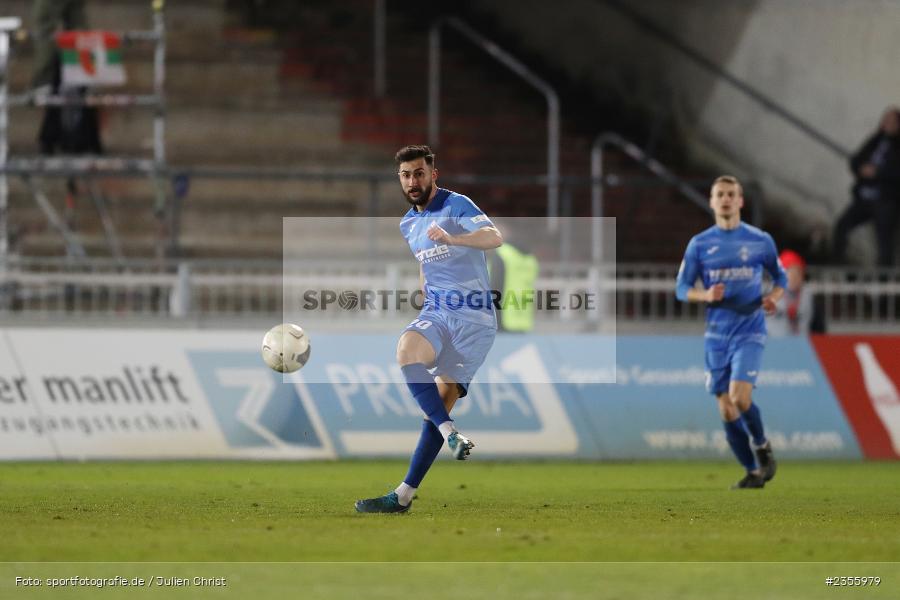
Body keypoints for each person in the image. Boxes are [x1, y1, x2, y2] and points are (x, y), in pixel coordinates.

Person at [355, 145, 503, 513]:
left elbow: (494, 237)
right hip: (438, 312)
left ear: (433, 175)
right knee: (407, 350)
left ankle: (403, 496)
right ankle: (450, 433)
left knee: (436, 406)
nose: (412, 181)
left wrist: (454, 239)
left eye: (419, 173)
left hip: (475, 322)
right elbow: (425, 261)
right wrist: (425, 290)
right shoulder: (408, 224)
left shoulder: (457, 205)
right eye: (406, 175)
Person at [676, 175, 787, 489]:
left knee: (740, 397)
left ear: (740, 201)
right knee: (726, 408)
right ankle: (753, 471)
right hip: (716, 335)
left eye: (730, 194)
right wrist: (705, 295)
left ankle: (762, 444)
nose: (725, 199)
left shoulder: (760, 240)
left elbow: (781, 277)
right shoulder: (700, 244)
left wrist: (773, 297)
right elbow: (681, 288)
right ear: (712, 202)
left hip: (749, 330)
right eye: (720, 194)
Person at [833, 107, 900, 267]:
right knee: (842, 226)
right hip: (863, 198)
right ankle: (838, 266)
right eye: (885, 120)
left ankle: (884, 278)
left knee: (885, 241)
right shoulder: (876, 140)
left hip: (886, 200)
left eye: (892, 121)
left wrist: (878, 172)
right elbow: (855, 160)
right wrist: (861, 169)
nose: (887, 124)